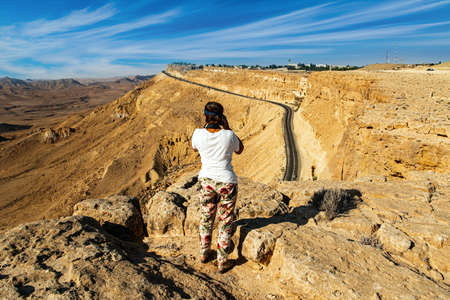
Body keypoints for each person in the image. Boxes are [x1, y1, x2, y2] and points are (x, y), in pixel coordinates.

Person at [191, 101, 244, 273]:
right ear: (222, 117)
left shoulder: (198, 134)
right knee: (225, 222)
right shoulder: (229, 135)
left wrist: (205, 125)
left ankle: (204, 253)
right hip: (227, 181)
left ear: (205, 115)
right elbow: (240, 149)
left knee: (206, 217)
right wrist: (227, 128)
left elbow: (194, 148)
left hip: (206, 180)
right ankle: (222, 261)